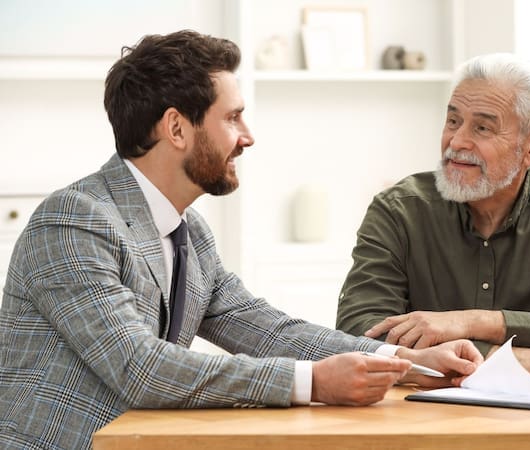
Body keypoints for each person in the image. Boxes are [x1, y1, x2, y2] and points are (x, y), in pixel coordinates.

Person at [0, 30, 482, 450]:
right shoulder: (73, 222)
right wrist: (311, 382)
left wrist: (405, 362)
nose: (247, 137)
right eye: (232, 118)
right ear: (176, 128)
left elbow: (264, 327)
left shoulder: (191, 232)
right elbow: (139, 367)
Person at [336, 53, 530, 381]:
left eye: (482, 128)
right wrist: (507, 359)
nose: (456, 142)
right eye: (453, 121)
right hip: (421, 420)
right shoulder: (398, 211)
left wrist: (474, 321)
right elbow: (357, 334)